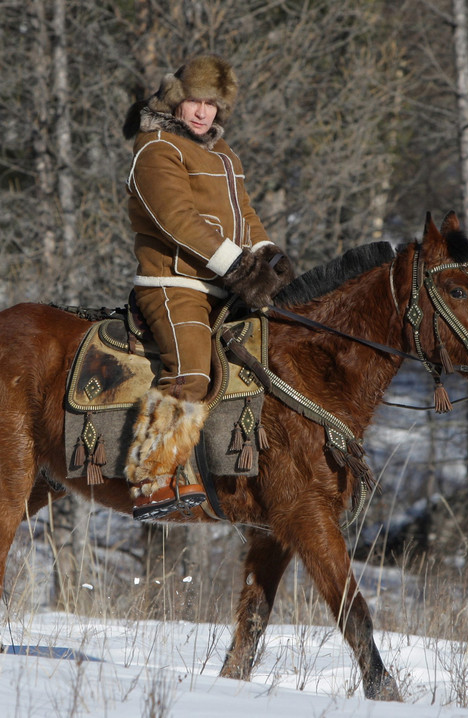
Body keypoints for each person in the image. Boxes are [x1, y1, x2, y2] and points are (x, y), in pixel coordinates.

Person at [122, 54, 294, 521]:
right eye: (195, 102)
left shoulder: (225, 155)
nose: (202, 113)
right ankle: (152, 478)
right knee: (191, 373)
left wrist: (270, 255)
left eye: (212, 105)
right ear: (177, 100)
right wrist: (238, 266)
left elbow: (245, 215)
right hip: (173, 281)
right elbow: (177, 221)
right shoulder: (156, 148)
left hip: (225, 286)